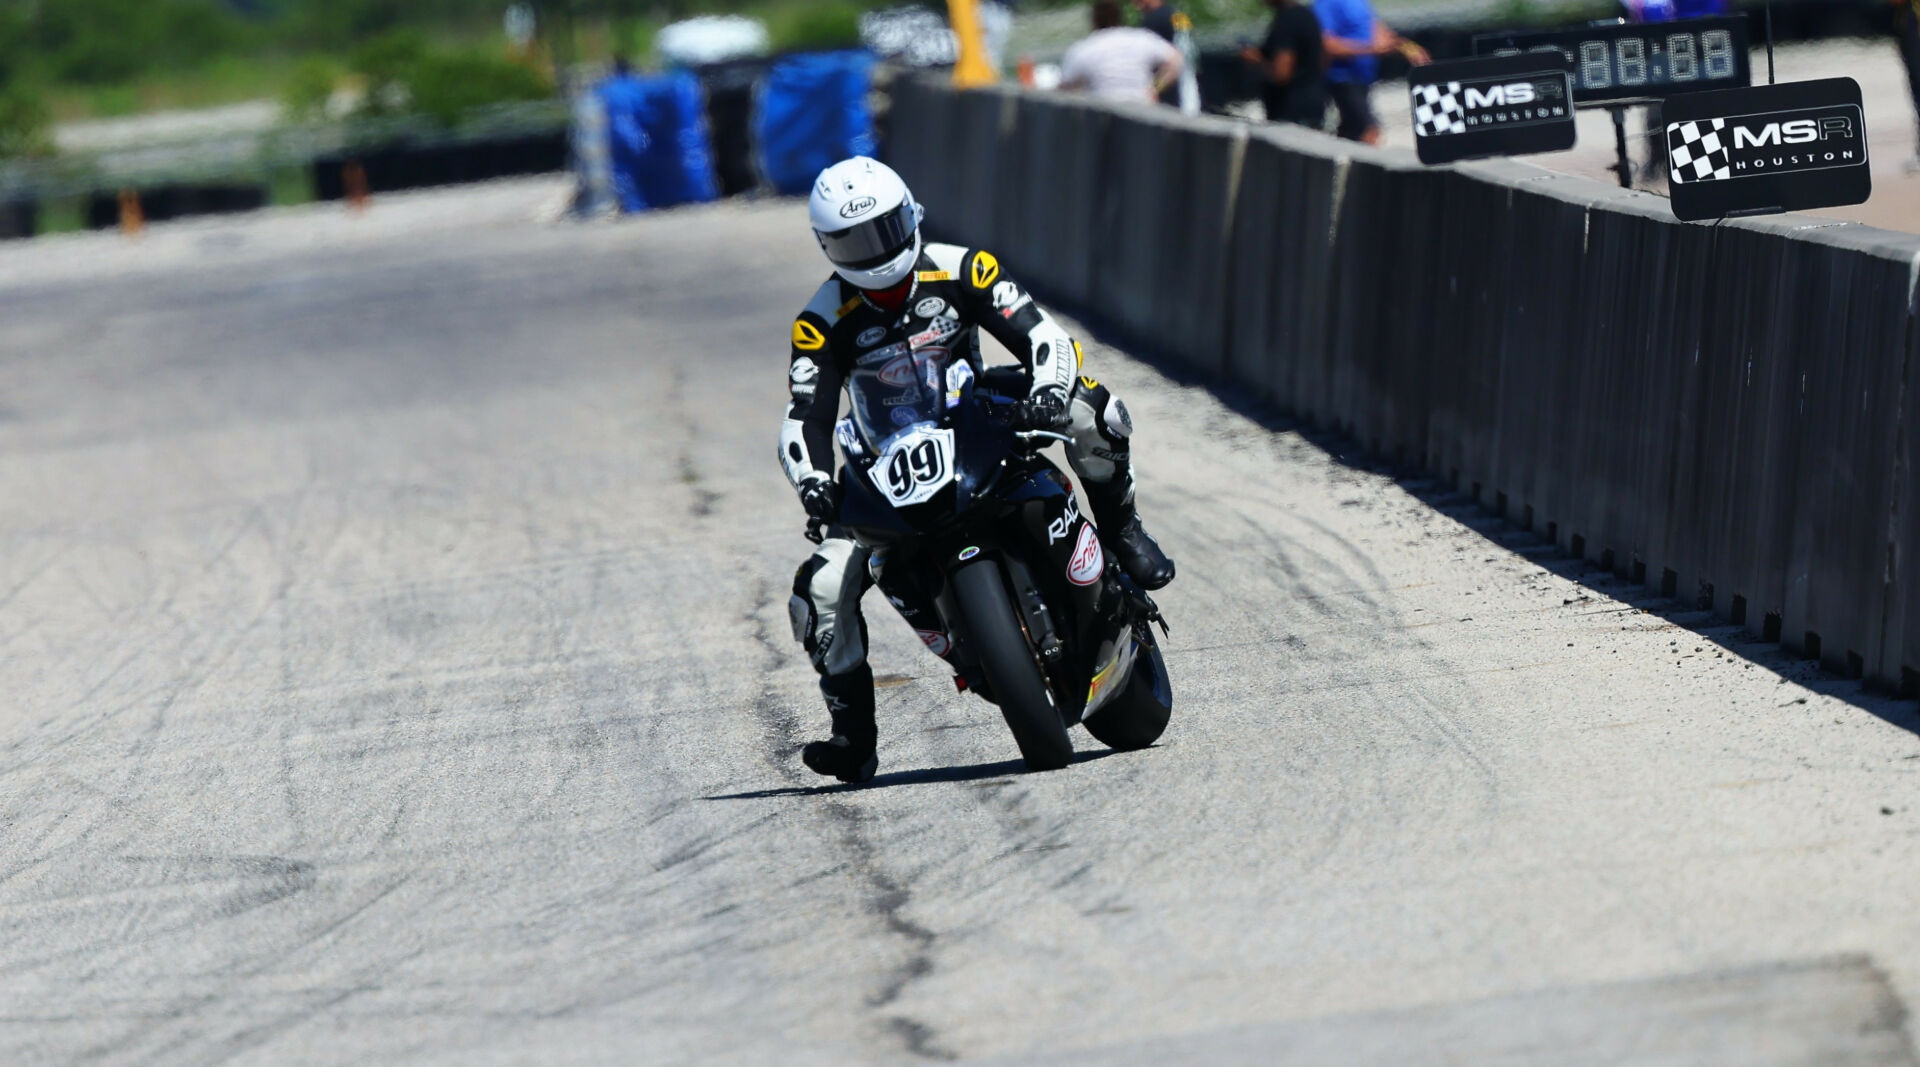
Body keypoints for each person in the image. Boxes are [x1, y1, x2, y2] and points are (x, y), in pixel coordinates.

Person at [781, 157, 1177, 783]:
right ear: (827, 246)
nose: (877, 254)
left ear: (910, 216)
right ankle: (853, 739)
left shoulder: (963, 266)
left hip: (976, 414)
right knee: (819, 592)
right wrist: (813, 484)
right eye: (856, 242)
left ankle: (1123, 529)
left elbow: (1043, 335)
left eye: (885, 231)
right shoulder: (821, 321)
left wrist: (1048, 389)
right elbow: (803, 417)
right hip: (886, 460)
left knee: (1093, 407)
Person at [1315, 0, 1428, 143]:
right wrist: (1368, 49)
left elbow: (1374, 27)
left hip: (1363, 78)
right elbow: (1326, 43)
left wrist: (1407, 47)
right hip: (1343, 78)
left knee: (1352, 129)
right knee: (1369, 130)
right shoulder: (1326, 4)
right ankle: (1364, 164)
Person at [1059, 0, 1185, 105]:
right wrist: (1155, 88)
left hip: (1106, 112)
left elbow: (1065, 86)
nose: (1136, 5)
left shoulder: (1084, 48)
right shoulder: (1172, 16)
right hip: (1143, 107)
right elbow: (1176, 59)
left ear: (1093, 21)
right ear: (1120, 17)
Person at [1241, 0, 1326, 128]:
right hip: (1312, 105)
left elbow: (1281, 73)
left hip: (1291, 113)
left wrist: (1255, 59)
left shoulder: (1288, 20)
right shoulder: (1306, 15)